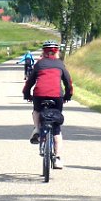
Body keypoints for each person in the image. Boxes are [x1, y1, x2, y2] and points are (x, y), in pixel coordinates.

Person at [23, 40, 73, 169]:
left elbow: (29, 82)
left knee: (37, 110)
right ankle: (57, 159)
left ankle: (37, 129)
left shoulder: (39, 64)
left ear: (43, 52)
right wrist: (68, 95)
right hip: (57, 96)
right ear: (57, 52)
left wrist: (26, 94)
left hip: (39, 94)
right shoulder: (60, 65)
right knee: (56, 128)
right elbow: (68, 82)